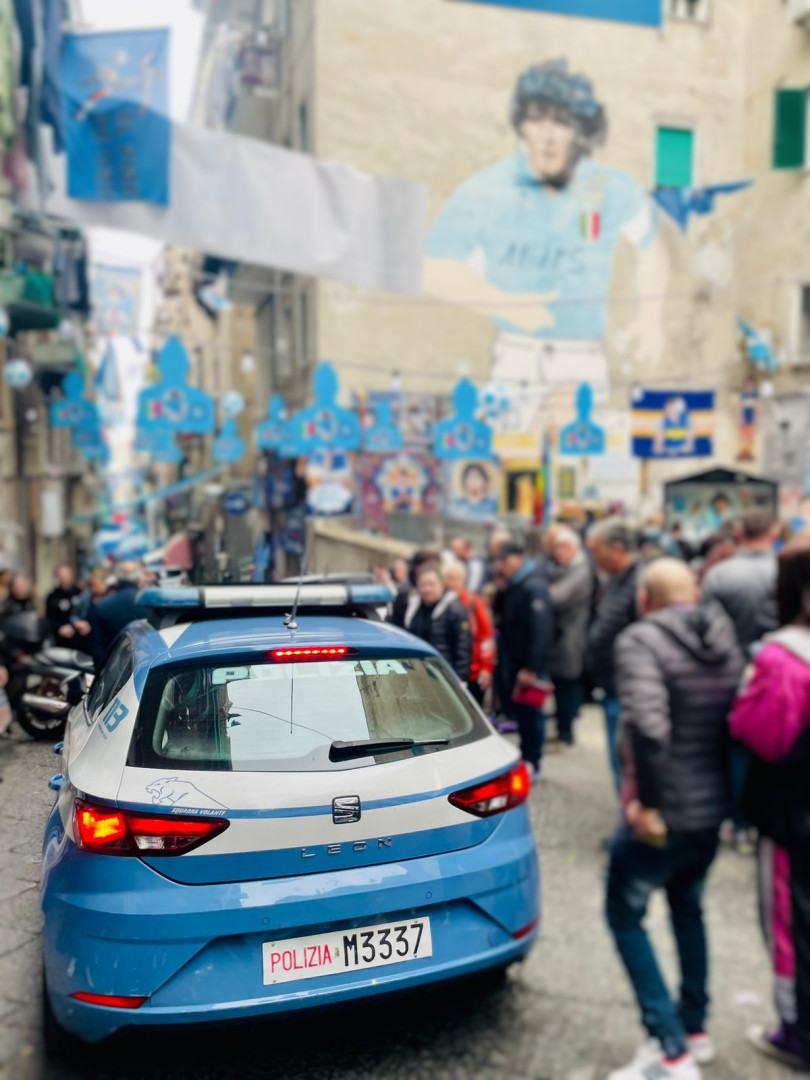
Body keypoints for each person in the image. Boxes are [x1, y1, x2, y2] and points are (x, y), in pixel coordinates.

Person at [606, 559, 744, 1080]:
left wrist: (648, 805)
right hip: (711, 810)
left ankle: (669, 1049)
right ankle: (695, 1029)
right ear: (694, 595)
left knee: (624, 913)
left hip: (664, 813)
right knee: (688, 908)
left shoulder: (639, 640)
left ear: (646, 598)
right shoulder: (725, 640)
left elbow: (648, 725)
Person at [727, 540, 810, 1071]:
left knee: (790, 922)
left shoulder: (784, 658)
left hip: (793, 815)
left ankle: (798, 1032)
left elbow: (762, 734)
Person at [586, 520, 641, 792]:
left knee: (626, 764)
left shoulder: (639, 583)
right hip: (612, 686)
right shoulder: (615, 581)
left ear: (616, 549)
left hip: (627, 691)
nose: (593, 557)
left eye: (596, 550)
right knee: (619, 763)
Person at [492, 541, 555, 777]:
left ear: (518, 559)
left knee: (531, 713)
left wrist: (532, 666)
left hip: (528, 663)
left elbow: (542, 628)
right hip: (514, 659)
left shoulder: (534, 585)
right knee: (522, 713)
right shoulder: (514, 583)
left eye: (504, 561)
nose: (501, 566)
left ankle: (533, 760)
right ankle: (527, 755)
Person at [701, 508, 778, 655]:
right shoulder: (789, 571)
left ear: (739, 534)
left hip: (729, 658)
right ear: (774, 534)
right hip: (780, 661)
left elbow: (706, 622)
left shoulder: (718, 575)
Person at [546, 526, 595, 747]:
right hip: (562, 637)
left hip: (573, 637)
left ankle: (566, 732)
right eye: (557, 547)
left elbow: (558, 597)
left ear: (576, 548)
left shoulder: (581, 570)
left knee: (568, 684)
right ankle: (562, 726)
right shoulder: (561, 568)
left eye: (565, 547)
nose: (560, 552)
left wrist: (546, 590)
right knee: (560, 684)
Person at [403, 565, 472, 681]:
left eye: (432, 584)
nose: (427, 589)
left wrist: (460, 680)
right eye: (423, 585)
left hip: (444, 675)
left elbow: (463, 648)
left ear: (442, 584)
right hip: (417, 673)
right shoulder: (413, 607)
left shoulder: (454, 609)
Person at [442, 560, 495, 705]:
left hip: (474, 670)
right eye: (450, 578)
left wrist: (486, 667)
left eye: (458, 578)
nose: (454, 583)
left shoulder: (473, 601)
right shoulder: (441, 603)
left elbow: (486, 636)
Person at [87, 561, 144, 671]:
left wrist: (101, 672)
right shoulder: (150, 603)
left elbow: (96, 646)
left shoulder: (101, 605)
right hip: (146, 664)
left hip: (114, 668)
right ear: (138, 577)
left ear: (117, 577)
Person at [45, 565, 82, 640]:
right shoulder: (52, 596)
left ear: (71, 576)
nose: (64, 578)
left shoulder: (80, 593)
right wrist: (59, 628)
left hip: (79, 637)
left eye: (66, 575)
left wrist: (76, 625)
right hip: (59, 638)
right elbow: (49, 617)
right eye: (61, 576)